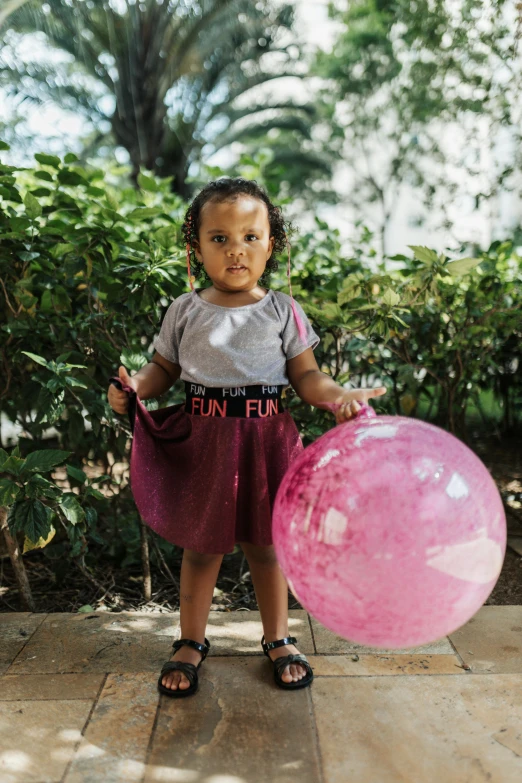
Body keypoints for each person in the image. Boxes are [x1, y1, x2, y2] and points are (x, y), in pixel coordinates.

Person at [107, 177, 386, 698]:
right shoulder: (184, 311)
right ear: (195, 247)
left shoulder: (282, 310)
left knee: (266, 547)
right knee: (202, 548)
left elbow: (307, 377)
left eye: (250, 237)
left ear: (270, 245)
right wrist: (133, 388)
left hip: (267, 440)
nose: (236, 248)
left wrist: (336, 395)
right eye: (219, 238)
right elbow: (161, 369)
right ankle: (191, 641)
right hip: (204, 441)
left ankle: (278, 638)